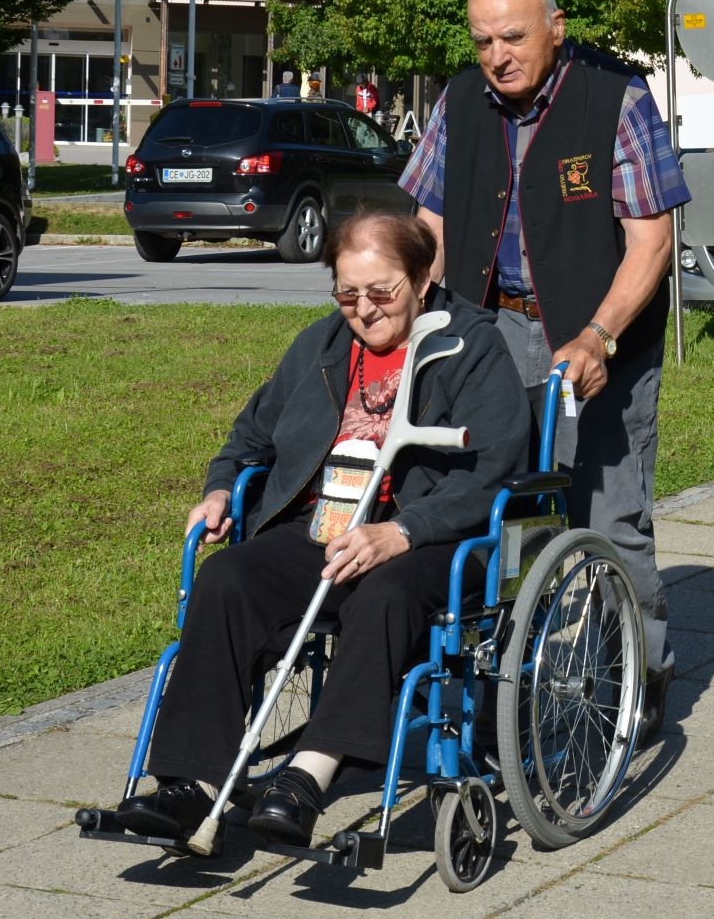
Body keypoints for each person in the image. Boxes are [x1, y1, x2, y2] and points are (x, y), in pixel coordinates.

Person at [112, 211, 534, 848]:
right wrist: (221, 485)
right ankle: (191, 786)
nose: (364, 310)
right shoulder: (321, 347)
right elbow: (249, 434)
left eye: (382, 291)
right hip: (328, 526)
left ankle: (308, 776)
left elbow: (492, 465)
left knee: (383, 594)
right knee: (227, 577)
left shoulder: (471, 345)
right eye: (347, 293)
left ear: (422, 277)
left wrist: (402, 532)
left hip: (437, 538)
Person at [398, 0, 690, 693]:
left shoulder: (614, 99)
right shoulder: (461, 100)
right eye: (483, 41)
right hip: (487, 326)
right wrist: (409, 315)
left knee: (606, 513)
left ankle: (635, 679)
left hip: (599, 331)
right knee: (482, 504)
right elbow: (427, 221)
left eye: (514, 36)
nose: (498, 55)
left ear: (555, 30)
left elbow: (651, 242)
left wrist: (599, 335)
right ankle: (493, 682)